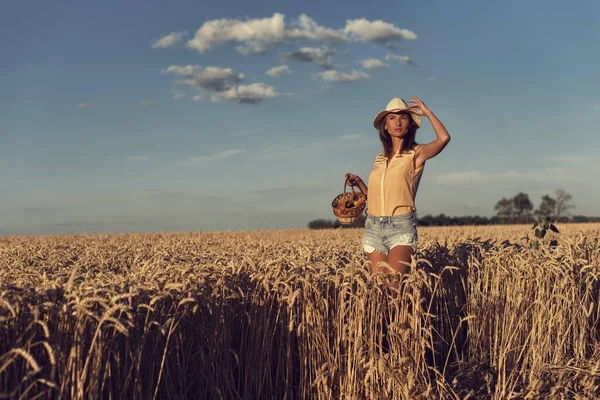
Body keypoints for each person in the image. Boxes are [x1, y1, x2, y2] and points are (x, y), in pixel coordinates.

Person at [346, 96, 450, 287]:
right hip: (373, 227)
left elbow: (444, 138)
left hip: (400, 226)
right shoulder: (379, 158)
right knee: (380, 292)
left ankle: (404, 317)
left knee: (394, 289)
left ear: (410, 124)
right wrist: (359, 183)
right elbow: (377, 197)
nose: (398, 122)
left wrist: (426, 112)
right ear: (385, 125)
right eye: (392, 118)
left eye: (403, 117)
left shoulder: (417, 153)